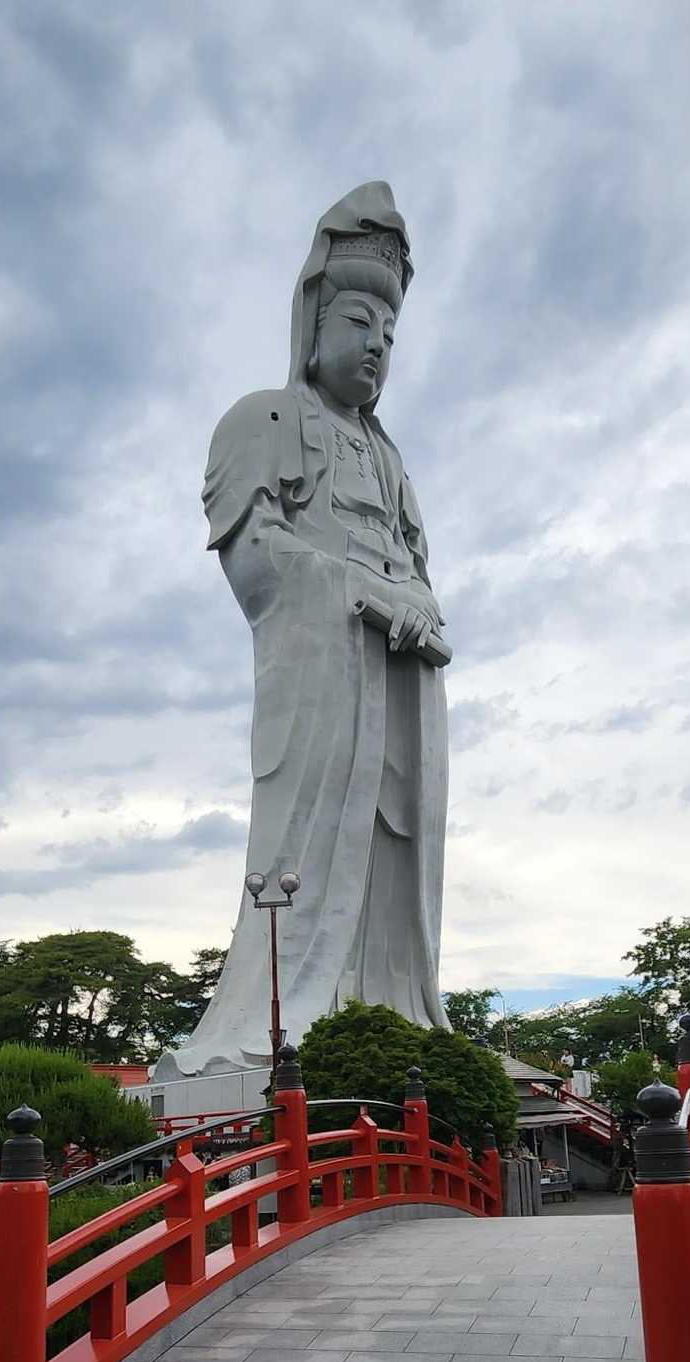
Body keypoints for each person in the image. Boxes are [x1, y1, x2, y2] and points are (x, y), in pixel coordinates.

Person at [176, 182, 450, 1076]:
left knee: (398, 849)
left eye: (391, 335)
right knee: (309, 846)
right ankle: (276, 1026)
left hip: (400, 677)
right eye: (361, 321)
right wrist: (363, 591)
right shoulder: (263, 420)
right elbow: (257, 561)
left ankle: (395, 1016)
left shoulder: (393, 463)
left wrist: (416, 608)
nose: (377, 346)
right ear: (314, 323)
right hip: (324, 676)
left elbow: (420, 572)